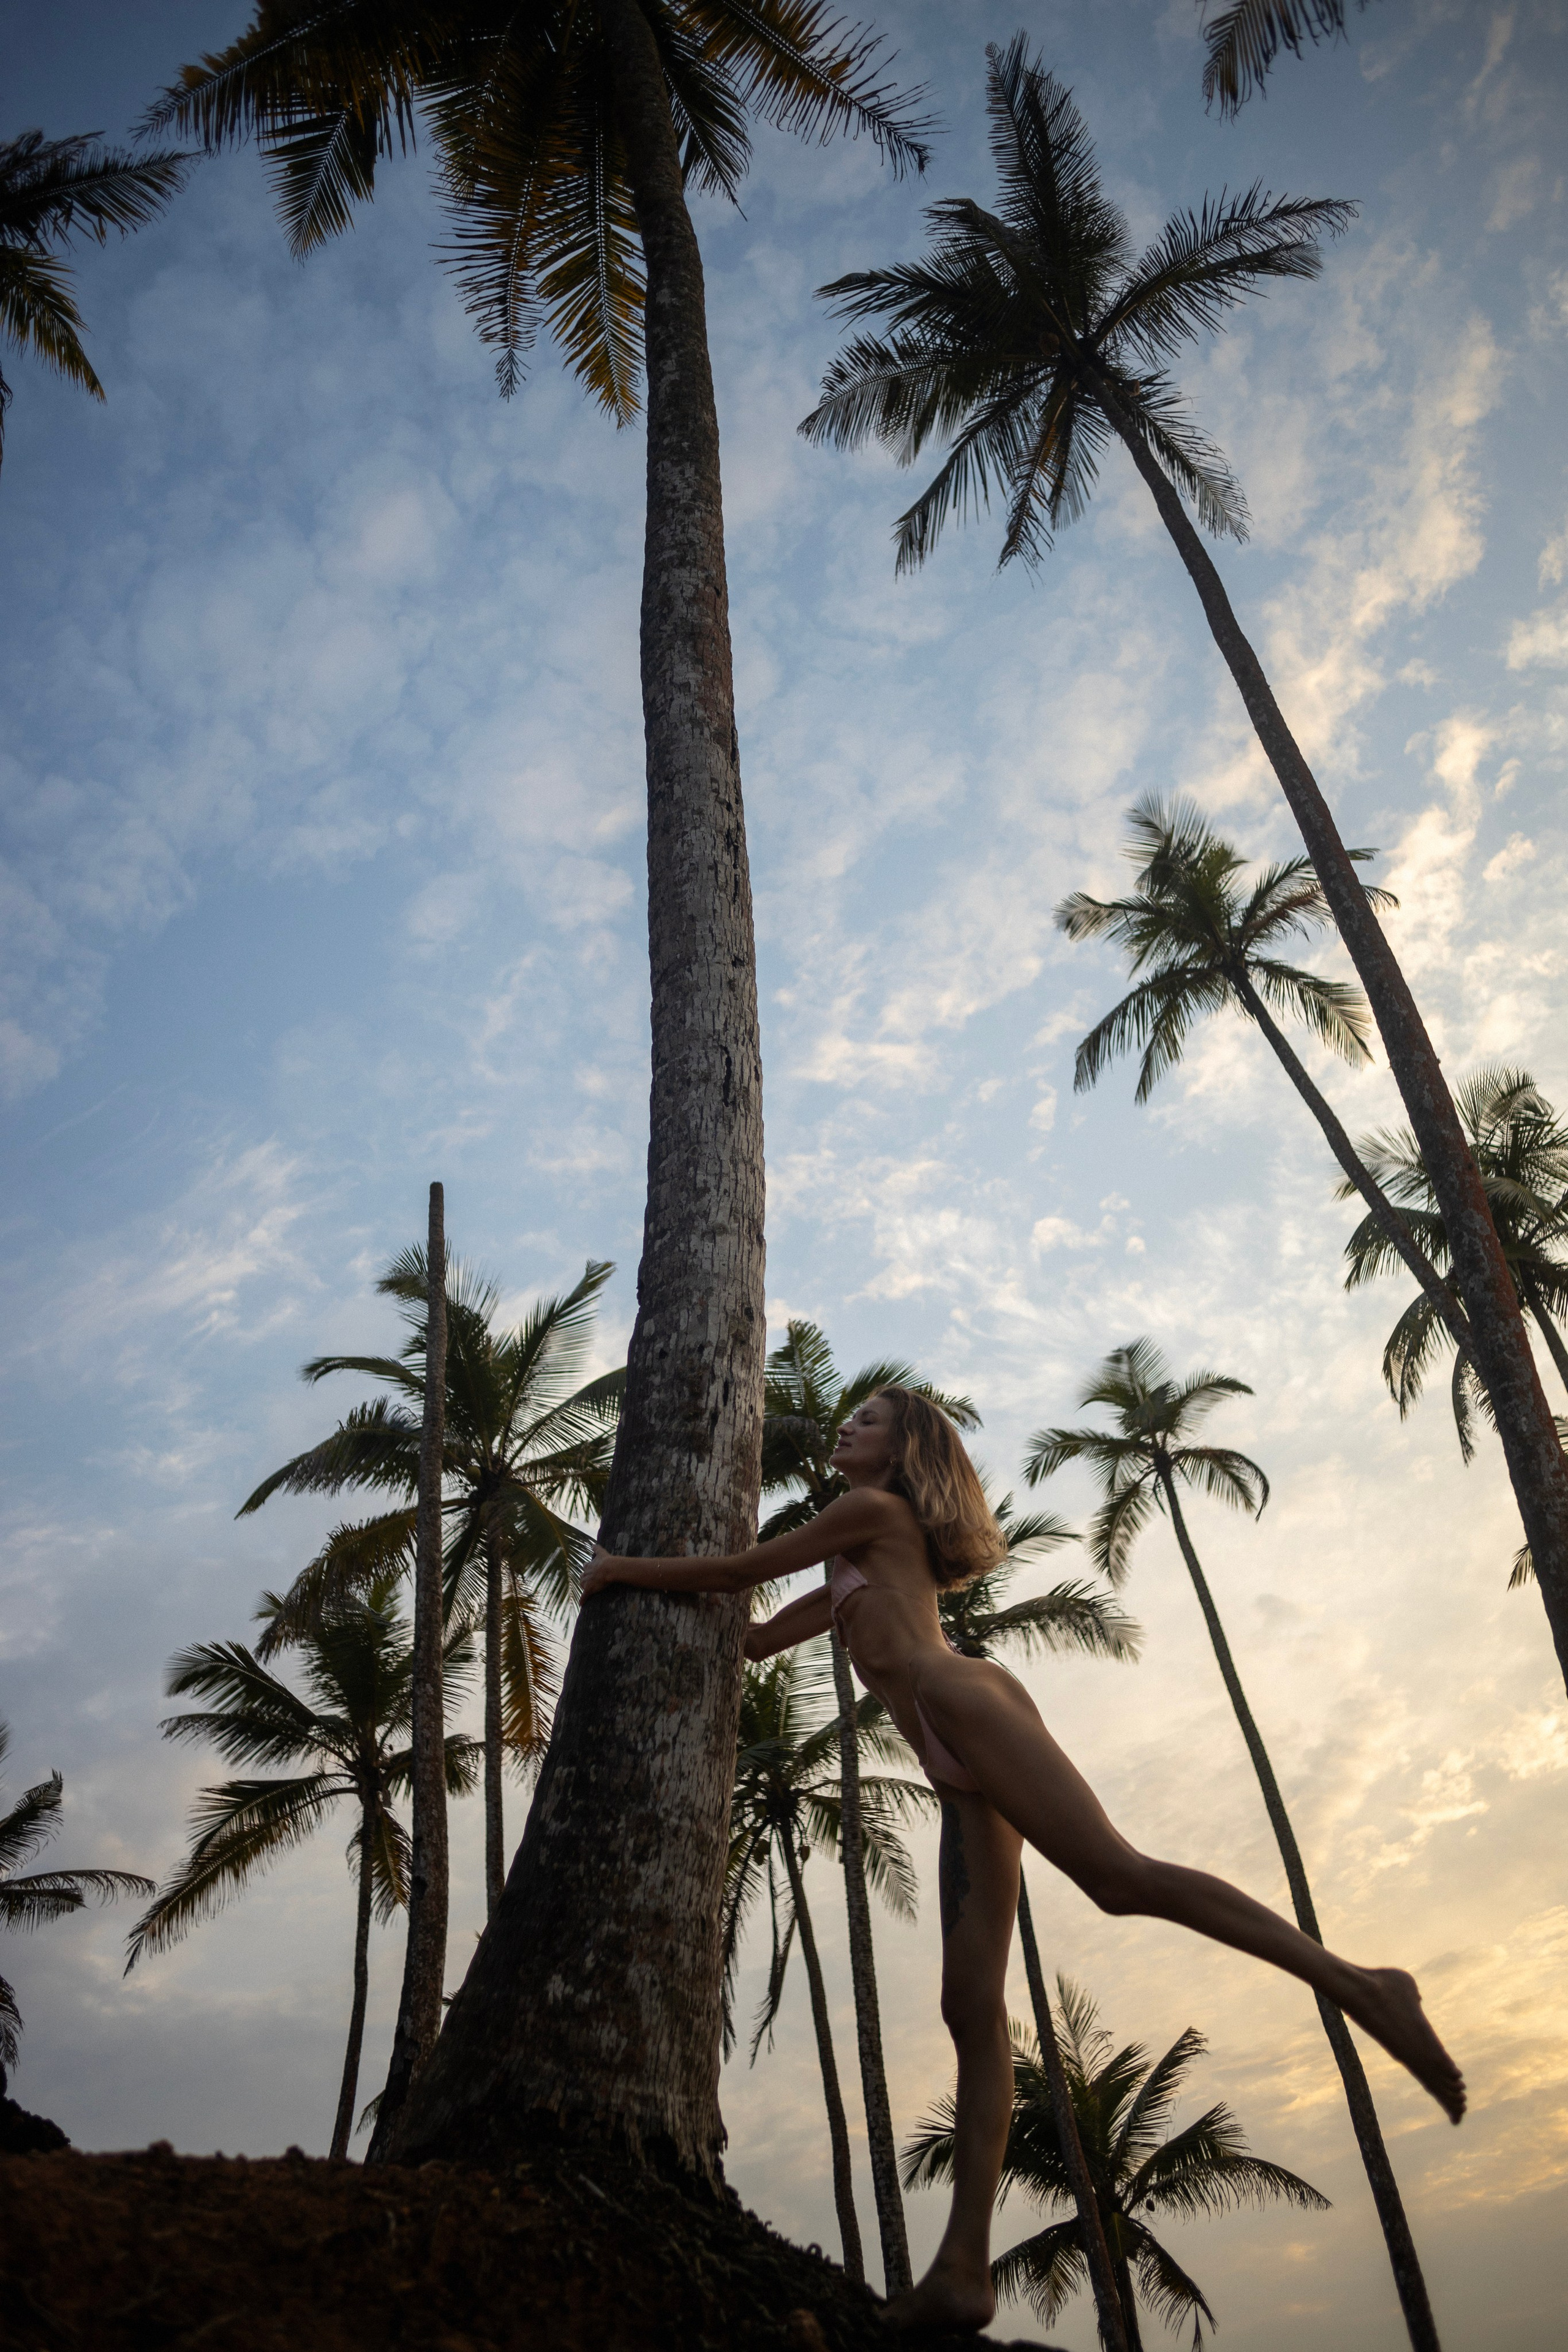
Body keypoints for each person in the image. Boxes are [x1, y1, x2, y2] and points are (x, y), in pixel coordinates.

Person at [582, 1385, 1464, 2333]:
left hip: (959, 1701)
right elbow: (765, 1626)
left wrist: (613, 1569)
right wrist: (745, 1641)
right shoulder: (855, 1544)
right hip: (951, 1759)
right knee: (970, 2009)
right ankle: (964, 2270)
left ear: (904, 1448)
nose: (846, 1426)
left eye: (867, 1420)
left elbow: (734, 1571)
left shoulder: (870, 1510)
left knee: (1120, 1879)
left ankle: (1365, 1985)